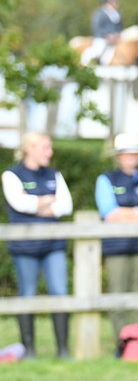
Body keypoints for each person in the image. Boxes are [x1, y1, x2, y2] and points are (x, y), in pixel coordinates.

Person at [3, 133, 74, 359]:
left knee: (60, 293)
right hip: (25, 247)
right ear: (30, 148)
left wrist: (35, 203)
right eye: (45, 147)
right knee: (28, 294)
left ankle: (63, 350)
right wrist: (45, 200)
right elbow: (19, 203)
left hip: (53, 244)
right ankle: (29, 351)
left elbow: (66, 205)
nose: (50, 152)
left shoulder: (53, 174)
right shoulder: (12, 175)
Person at [94, 133, 138, 350]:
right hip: (116, 245)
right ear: (119, 156)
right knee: (118, 292)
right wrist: (136, 212)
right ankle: (121, 342)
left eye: (134, 153)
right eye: (127, 153)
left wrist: (126, 212)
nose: (131, 157)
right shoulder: (106, 179)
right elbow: (108, 212)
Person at [84, 0, 123, 65]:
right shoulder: (100, 13)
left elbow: (119, 27)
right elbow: (97, 26)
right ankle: (84, 62)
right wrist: (107, 35)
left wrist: (117, 35)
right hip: (102, 38)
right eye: (115, 0)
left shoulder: (117, 14)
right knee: (98, 51)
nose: (116, 2)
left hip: (114, 41)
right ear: (108, 1)